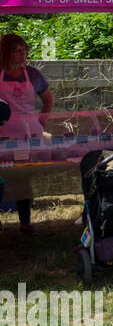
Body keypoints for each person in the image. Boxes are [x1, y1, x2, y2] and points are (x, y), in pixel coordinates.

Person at [0, 33, 55, 234]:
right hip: (3, 133)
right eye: (16, 50)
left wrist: (39, 123)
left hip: (28, 134)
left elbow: (48, 100)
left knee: (23, 175)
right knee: (1, 174)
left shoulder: (33, 74)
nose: (22, 54)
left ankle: (25, 221)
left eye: (24, 49)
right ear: (6, 52)